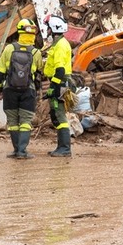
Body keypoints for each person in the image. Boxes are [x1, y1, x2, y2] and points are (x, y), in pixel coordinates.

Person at [0, 18, 43, 160]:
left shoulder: (9, 49)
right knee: (26, 122)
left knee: (13, 122)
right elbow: (40, 72)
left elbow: (0, 72)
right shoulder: (36, 53)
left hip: (9, 90)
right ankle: (22, 151)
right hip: (28, 90)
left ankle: (16, 150)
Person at [43, 14, 73, 157]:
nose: (47, 30)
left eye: (48, 28)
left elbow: (60, 70)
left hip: (59, 83)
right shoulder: (59, 43)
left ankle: (65, 148)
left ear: (54, 28)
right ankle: (61, 147)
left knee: (59, 115)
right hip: (58, 82)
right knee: (56, 114)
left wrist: (52, 88)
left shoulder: (61, 45)